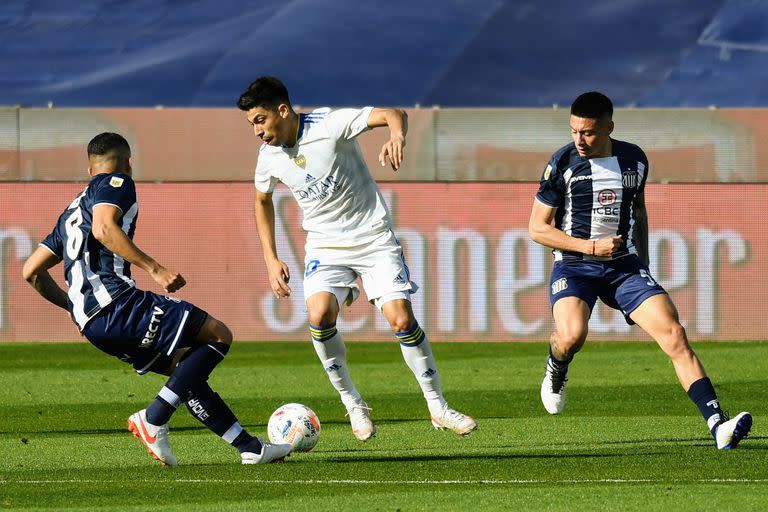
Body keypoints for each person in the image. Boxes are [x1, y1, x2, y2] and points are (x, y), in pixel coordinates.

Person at [22, 132, 292, 466]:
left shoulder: (69, 214)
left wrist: (71, 307)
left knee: (185, 370)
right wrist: (155, 268)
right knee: (218, 334)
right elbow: (104, 229)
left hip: (94, 325)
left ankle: (249, 448)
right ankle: (154, 417)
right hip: (118, 304)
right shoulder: (116, 181)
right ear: (127, 161)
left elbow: (31, 271)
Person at [236, 76, 476, 441]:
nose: (256, 131)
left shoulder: (329, 124)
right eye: (251, 124)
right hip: (325, 247)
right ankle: (353, 403)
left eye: (259, 120)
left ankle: (437, 407)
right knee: (318, 315)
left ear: (282, 111)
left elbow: (393, 114)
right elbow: (261, 201)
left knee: (401, 318)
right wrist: (271, 259)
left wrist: (397, 136)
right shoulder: (268, 157)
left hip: (373, 238)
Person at [528, 91, 752, 449]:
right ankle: (557, 367)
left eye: (587, 133)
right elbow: (537, 228)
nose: (579, 140)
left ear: (609, 127)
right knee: (570, 337)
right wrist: (590, 247)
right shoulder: (563, 163)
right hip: (575, 264)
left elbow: (640, 214)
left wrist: (642, 267)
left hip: (624, 267)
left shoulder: (634, 160)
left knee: (675, 334)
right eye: (573, 131)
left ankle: (718, 426)